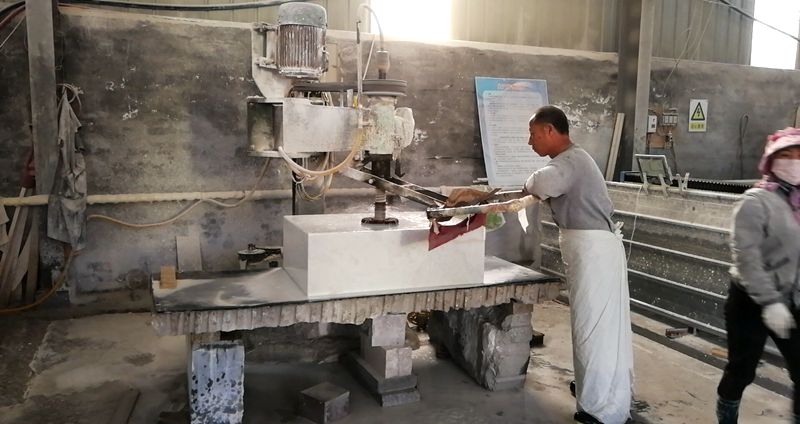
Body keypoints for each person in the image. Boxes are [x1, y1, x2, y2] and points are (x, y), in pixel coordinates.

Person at [522, 105, 633, 424]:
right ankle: (597, 391)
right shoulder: (572, 160)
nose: (530, 143)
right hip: (592, 249)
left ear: (549, 131)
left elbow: (540, 183)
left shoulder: (570, 162)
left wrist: (526, 184)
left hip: (594, 250)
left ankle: (600, 410)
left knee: (592, 328)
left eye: (532, 135)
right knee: (596, 325)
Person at [716, 127, 800, 424]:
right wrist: (770, 302)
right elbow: (747, 257)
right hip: (750, 300)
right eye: (786, 155)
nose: (794, 161)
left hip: (791, 297)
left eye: (799, 155)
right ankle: (727, 417)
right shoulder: (755, 201)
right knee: (742, 369)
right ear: (771, 161)